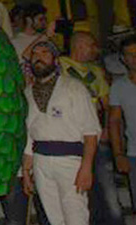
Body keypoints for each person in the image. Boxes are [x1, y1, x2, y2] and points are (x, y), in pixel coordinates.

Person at [24, 40, 99, 225]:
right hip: (41, 161)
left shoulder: (74, 88)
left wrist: (86, 168)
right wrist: (26, 170)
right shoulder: (27, 93)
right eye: (35, 54)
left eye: (44, 53)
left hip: (70, 162)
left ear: (56, 60)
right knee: (54, 218)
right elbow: (29, 132)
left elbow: (91, 131)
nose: (39, 57)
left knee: (76, 216)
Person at [59, 31, 121, 225]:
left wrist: (105, 129)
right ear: (79, 45)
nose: (96, 50)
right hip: (69, 138)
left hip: (94, 136)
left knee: (106, 192)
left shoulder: (96, 72)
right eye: (91, 45)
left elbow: (107, 104)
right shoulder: (59, 65)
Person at [109, 35, 136, 211]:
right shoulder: (118, 86)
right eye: (129, 54)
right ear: (123, 59)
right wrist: (119, 154)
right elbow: (114, 122)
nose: (134, 59)